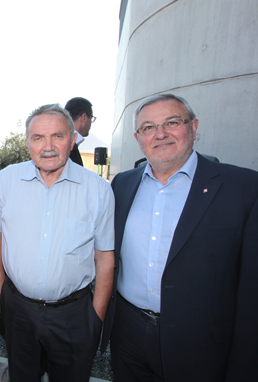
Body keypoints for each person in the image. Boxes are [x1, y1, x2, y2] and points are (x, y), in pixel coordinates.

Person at [105, 94, 258, 381]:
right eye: (148, 127)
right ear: (138, 137)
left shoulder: (244, 188)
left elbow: (251, 289)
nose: (160, 134)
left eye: (172, 122)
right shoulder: (122, 184)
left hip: (201, 342)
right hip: (128, 334)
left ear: (194, 127)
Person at [0, 103, 115, 382]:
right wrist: (0, 288)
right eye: (38, 138)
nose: (47, 146)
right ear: (28, 142)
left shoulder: (98, 189)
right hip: (18, 309)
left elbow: (105, 257)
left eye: (58, 136)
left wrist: (95, 319)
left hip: (73, 314)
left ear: (73, 139)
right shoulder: (6, 181)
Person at [64, 97, 96, 166]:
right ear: (84, 117)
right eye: (91, 118)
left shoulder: (61, 140)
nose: (91, 122)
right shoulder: (67, 145)